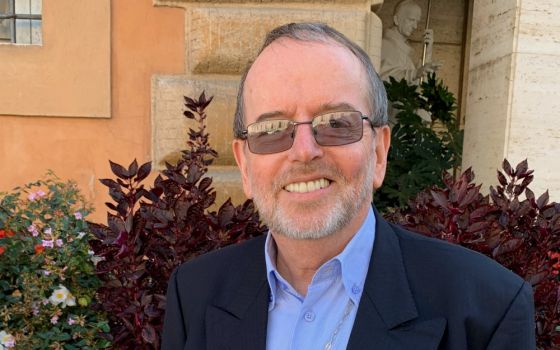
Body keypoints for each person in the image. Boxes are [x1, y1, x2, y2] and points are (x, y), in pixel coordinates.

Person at [162, 22, 535, 349]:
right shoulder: (194, 294)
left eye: (336, 123)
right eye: (273, 130)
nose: (304, 151)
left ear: (379, 151)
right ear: (245, 164)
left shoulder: (487, 310)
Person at [380, 0, 442, 84]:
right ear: (396, 19)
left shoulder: (403, 49)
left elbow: (417, 84)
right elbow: (385, 77)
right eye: (411, 20)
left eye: (417, 21)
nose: (415, 26)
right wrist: (415, 73)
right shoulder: (387, 45)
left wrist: (427, 52)